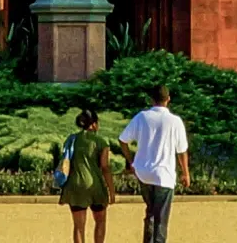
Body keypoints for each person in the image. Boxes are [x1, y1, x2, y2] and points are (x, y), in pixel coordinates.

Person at [119, 85, 190, 243]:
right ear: (168, 99)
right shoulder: (175, 121)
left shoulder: (142, 117)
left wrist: (131, 161)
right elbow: (182, 151)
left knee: (150, 213)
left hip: (143, 173)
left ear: (152, 100)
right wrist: (186, 173)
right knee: (161, 219)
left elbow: (123, 140)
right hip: (164, 175)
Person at [60, 108, 116, 243]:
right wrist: (111, 191)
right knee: (100, 221)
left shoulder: (72, 139)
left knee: (79, 226)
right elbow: (105, 168)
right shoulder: (101, 142)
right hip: (95, 185)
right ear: (94, 124)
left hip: (75, 185)